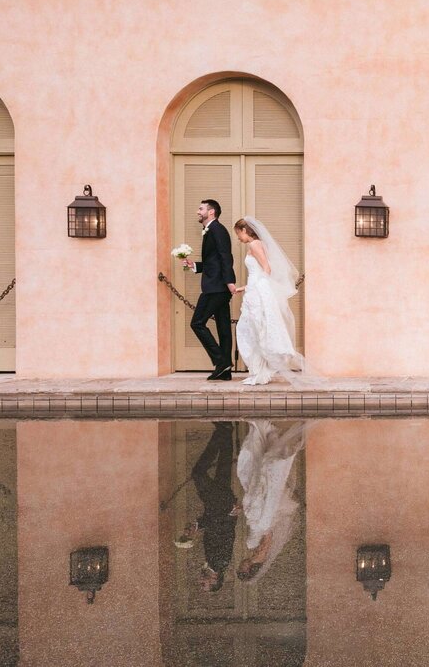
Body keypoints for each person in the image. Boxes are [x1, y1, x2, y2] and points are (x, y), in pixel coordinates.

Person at [231, 217, 307, 386]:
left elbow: (266, 268)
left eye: (238, 233)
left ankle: (260, 371)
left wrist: (254, 289)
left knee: (254, 329)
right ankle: (260, 372)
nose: (238, 238)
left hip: (257, 293)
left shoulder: (254, 244)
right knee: (255, 329)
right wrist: (244, 288)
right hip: (255, 289)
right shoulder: (259, 244)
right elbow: (258, 272)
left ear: (244, 230)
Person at [234, 420, 310, 582]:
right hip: (263, 519)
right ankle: (267, 433)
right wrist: (263, 525)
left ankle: (265, 433)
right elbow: (267, 539)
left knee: (252, 473)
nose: (241, 564)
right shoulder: (258, 556)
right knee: (263, 472)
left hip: (261, 519)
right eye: (242, 568)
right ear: (247, 570)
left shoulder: (254, 554)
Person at [178, 422, 239, 593]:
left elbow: (216, 529)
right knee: (198, 473)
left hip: (221, 505)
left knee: (224, 465)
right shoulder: (220, 561)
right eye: (204, 584)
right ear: (215, 579)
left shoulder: (214, 562)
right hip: (220, 505)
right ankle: (222, 431)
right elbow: (224, 531)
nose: (200, 581)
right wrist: (230, 514)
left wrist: (197, 526)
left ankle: (226, 431)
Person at [182, 199, 237, 381]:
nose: (198, 211)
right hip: (217, 285)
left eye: (201, 208)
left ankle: (220, 361)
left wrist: (229, 281)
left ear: (211, 212)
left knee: (197, 323)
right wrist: (195, 265)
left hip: (216, 287)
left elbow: (225, 256)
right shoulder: (210, 230)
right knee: (223, 327)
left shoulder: (217, 229)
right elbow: (213, 261)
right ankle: (226, 371)